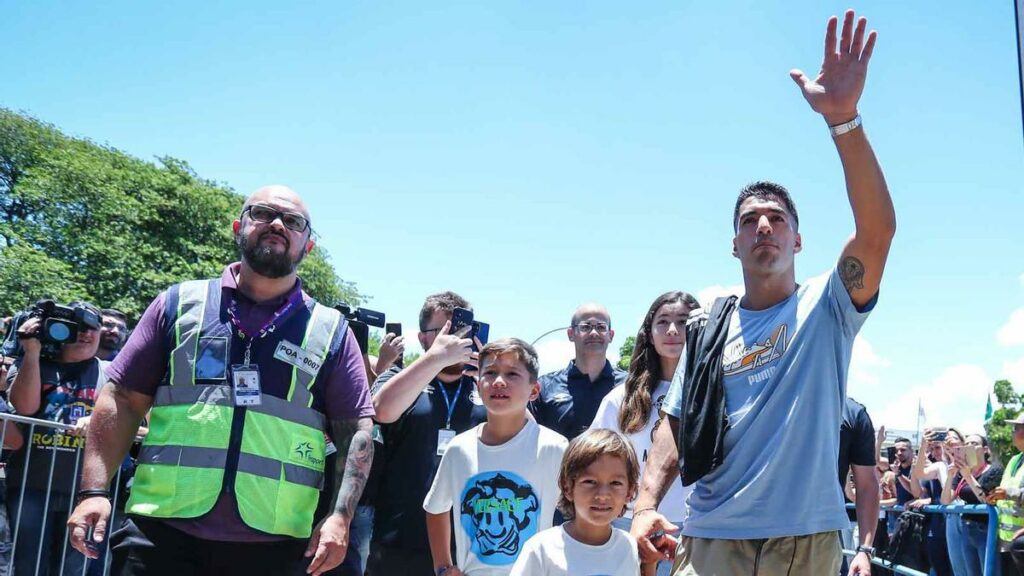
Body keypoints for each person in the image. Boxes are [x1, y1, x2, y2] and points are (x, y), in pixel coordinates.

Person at [631, 11, 895, 576]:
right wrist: (647, 504)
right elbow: (673, 427)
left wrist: (843, 120)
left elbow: (877, 232)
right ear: (735, 244)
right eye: (751, 220)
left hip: (804, 542)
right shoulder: (706, 329)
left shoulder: (829, 308)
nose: (765, 227)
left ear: (799, 239)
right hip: (708, 538)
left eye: (778, 218)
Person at [65, 185, 375, 576]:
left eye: (293, 222)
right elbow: (123, 399)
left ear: (307, 246)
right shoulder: (178, 305)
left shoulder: (330, 330)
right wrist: (93, 491)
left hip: (276, 545)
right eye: (262, 213)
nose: (277, 224)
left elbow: (357, 433)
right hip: (161, 534)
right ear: (237, 227)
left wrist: (340, 517)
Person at [364, 291, 488, 575]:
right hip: (399, 541)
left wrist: (490, 376)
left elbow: (527, 430)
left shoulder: (485, 386)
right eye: (446, 331)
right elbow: (381, 410)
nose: (457, 339)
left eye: (463, 330)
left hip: (466, 545)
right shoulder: (402, 379)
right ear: (423, 339)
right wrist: (436, 359)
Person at [424, 338, 567, 575]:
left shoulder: (554, 448)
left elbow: (580, 513)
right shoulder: (459, 448)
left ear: (534, 390)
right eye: (490, 373)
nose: (499, 382)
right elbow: (435, 508)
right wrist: (443, 567)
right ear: (478, 385)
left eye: (512, 374)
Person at [590, 291, 699, 576]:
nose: (673, 330)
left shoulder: (716, 392)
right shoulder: (621, 398)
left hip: (697, 527)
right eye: (663, 322)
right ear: (649, 334)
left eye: (684, 321)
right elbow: (593, 458)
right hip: (629, 524)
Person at [6, 300, 107, 576]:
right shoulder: (29, 362)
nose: (87, 334)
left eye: (94, 328)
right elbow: (25, 407)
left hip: (85, 493)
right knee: (28, 567)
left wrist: (97, 420)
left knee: (77, 569)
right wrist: (32, 351)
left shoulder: (112, 374)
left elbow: (135, 421)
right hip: (32, 487)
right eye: (79, 327)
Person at [510, 428, 644, 576]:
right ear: (567, 487)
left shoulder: (628, 547)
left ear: (630, 491)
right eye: (590, 482)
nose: (603, 495)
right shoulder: (541, 549)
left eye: (615, 483)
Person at [532, 303, 626, 440]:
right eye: (585, 327)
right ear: (571, 334)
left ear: (610, 335)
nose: (594, 333)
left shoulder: (630, 386)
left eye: (601, 327)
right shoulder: (544, 387)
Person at [942, 434, 1003, 576]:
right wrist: (951, 475)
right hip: (966, 528)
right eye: (967, 443)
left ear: (985, 450)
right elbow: (945, 500)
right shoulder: (961, 475)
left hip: (986, 529)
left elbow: (986, 499)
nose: (969, 446)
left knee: (989, 571)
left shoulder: (994, 470)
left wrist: (968, 476)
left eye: (974, 443)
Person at [837, 397, 880, 576]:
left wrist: (865, 549)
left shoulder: (852, 413)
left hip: (821, 535)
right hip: (751, 530)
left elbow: (867, 486)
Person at [990, 414, 1024, 573]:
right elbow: (1004, 491)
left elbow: (1009, 492)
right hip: (1006, 540)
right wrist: (995, 497)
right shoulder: (1014, 460)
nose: (1012, 432)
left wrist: (1008, 493)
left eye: (1016, 428)